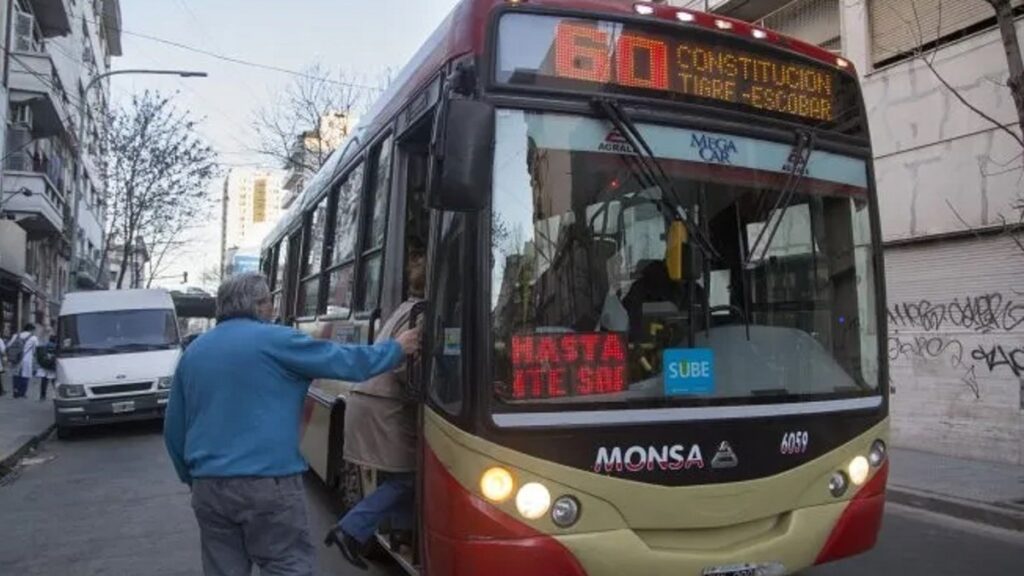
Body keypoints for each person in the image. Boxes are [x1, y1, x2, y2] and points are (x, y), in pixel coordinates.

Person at [163, 273, 420, 576]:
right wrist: (397, 348)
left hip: (209, 487)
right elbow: (348, 363)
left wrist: (194, 479)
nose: (273, 309)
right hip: (268, 483)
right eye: (270, 302)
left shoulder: (194, 353)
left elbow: (173, 430)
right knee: (287, 566)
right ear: (259, 305)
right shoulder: (277, 340)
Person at [325, 246, 426, 569]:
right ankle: (350, 530)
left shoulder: (406, 307)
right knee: (408, 477)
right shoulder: (424, 313)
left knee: (393, 476)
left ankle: (402, 534)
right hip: (385, 407)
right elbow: (405, 366)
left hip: (368, 400)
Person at [6, 323, 38, 399]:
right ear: (31, 329)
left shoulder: (15, 335)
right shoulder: (33, 338)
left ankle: (15, 392)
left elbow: (9, 346)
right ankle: (22, 393)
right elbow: (35, 350)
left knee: (16, 375)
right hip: (26, 359)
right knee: (25, 376)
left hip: (16, 358)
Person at [35, 334, 57, 401]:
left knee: (44, 382)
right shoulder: (56, 346)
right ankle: (57, 394)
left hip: (45, 366)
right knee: (54, 382)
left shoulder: (45, 345)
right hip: (52, 365)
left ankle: (42, 396)